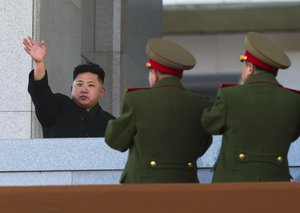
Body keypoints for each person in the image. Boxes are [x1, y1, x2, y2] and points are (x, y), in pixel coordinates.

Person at [105, 38, 212, 183]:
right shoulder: (201, 104)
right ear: (180, 75)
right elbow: (202, 147)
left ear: (154, 74)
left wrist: (112, 123)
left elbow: (116, 141)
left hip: (142, 184)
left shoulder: (136, 99)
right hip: (185, 184)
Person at [201, 32, 300, 182]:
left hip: (232, 185)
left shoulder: (230, 95)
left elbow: (210, 124)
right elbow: (293, 135)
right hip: (276, 184)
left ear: (250, 68)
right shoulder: (294, 100)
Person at [23, 36, 114, 138]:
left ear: (101, 92)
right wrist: (39, 63)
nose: (84, 90)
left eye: (91, 85)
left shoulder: (112, 123)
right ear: (72, 89)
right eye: (79, 84)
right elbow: (40, 93)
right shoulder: (58, 107)